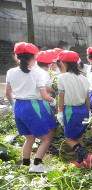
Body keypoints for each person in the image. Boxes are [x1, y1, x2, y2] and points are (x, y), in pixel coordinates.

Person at [6, 42, 57, 173]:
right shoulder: (36, 74)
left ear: (17, 57)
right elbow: (44, 95)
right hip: (33, 106)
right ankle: (37, 164)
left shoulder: (11, 72)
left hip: (18, 105)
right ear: (34, 57)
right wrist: (54, 101)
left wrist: (13, 105)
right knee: (45, 139)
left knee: (29, 138)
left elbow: (8, 93)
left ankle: (25, 164)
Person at [56, 50, 92, 169]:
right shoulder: (83, 78)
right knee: (79, 137)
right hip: (83, 109)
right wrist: (89, 110)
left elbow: (61, 96)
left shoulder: (62, 77)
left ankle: (86, 156)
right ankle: (81, 162)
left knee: (69, 139)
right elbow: (87, 96)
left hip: (70, 110)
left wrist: (59, 112)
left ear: (63, 63)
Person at [34, 51, 59, 155]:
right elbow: (44, 88)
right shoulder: (43, 74)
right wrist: (54, 91)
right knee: (51, 126)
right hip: (43, 101)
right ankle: (47, 145)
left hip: (36, 101)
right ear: (49, 64)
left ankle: (44, 143)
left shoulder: (35, 71)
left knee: (45, 124)